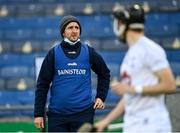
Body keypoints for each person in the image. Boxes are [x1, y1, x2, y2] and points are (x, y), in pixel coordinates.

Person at [95, 4, 176, 132]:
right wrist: (106, 121)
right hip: (133, 125)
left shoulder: (150, 49)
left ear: (121, 24)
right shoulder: (131, 53)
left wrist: (132, 89)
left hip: (152, 125)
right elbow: (130, 96)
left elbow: (170, 85)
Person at [34, 15, 110, 132]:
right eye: (70, 28)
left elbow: (104, 74)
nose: (74, 31)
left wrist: (101, 97)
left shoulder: (89, 52)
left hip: (83, 114)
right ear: (63, 32)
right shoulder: (53, 53)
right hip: (57, 116)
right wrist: (38, 114)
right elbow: (42, 85)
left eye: (77, 28)